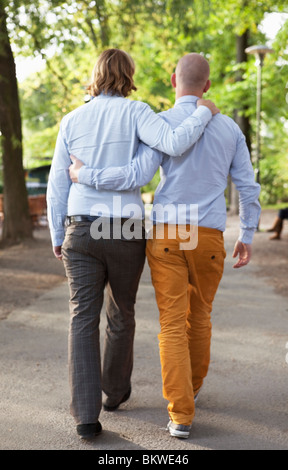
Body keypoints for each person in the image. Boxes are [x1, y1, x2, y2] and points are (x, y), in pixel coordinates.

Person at [69, 52, 261, 440]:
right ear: (206, 86)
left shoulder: (159, 123)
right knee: (200, 316)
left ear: (175, 81)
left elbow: (137, 173)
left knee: (172, 323)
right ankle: (191, 388)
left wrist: (83, 174)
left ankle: (181, 414)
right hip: (205, 234)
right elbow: (248, 186)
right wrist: (249, 233)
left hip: (167, 233)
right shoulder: (230, 129)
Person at [47, 48, 219, 440]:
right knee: (122, 312)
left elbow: (59, 183)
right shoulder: (139, 113)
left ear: (94, 75)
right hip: (124, 229)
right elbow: (169, 149)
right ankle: (115, 393)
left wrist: (59, 234)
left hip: (82, 226)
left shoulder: (71, 120)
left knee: (81, 318)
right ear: (129, 76)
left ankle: (86, 416)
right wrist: (205, 110)